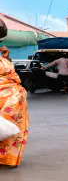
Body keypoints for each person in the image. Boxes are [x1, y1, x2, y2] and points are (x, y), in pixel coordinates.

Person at [0, 19, 29, 169]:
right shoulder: (4, 61)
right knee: (9, 132)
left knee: (6, 130)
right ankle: (8, 160)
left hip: (9, 100)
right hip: (14, 101)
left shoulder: (3, 60)